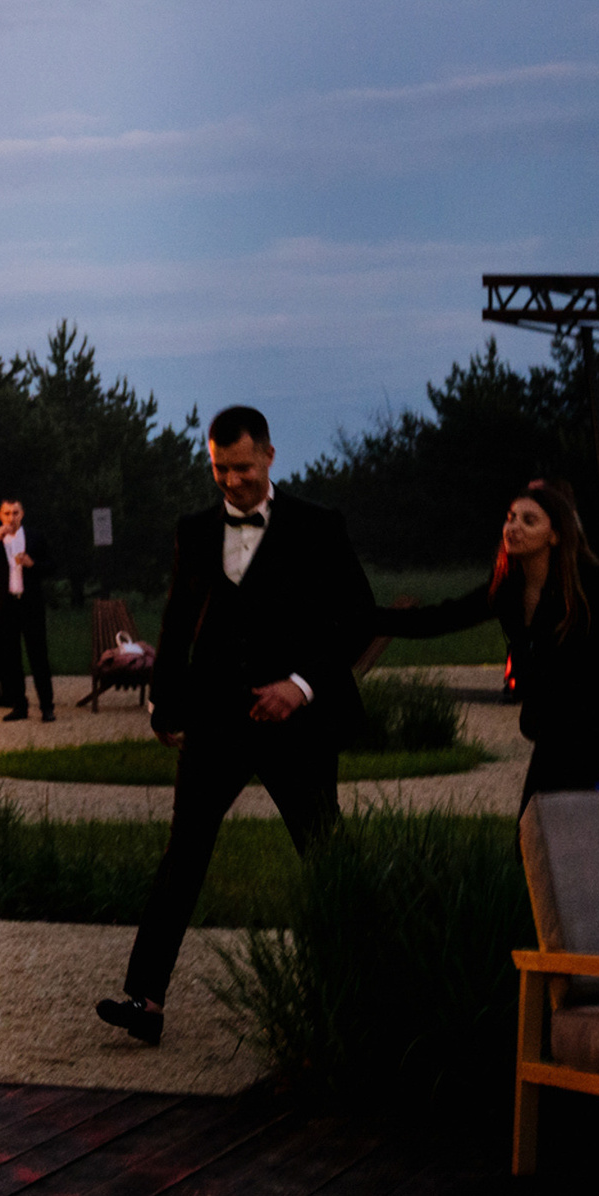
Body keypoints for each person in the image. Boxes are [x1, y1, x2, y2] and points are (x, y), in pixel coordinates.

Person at [95, 406, 372, 1047]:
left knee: (326, 851)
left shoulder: (317, 527)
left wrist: (301, 687)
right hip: (216, 722)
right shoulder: (193, 530)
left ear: (271, 457)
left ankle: (366, 982)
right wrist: (164, 705)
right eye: (220, 469)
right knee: (182, 856)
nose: (231, 481)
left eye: (242, 467)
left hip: (295, 725)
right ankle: (145, 999)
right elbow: (176, 618)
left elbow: (356, 618)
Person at [368, 485, 599, 802]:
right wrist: (363, 617)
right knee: (537, 837)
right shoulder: (509, 588)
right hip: (551, 733)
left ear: (554, 535)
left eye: (529, 521)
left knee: (549, 838)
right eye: (511, 518)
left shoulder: (594, 586)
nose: (514, 527)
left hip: (593, 736)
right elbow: (441, 618)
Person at [0, 498, 55, 723]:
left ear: (22, 514)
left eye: (15, 513)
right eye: (7, 513)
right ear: (0, 516)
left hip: (30, 603)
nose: (11, 518)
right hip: (5, 606)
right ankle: (19, 705)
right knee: (10, 658)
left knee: (38, 656)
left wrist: (32, 564)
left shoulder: (35, 537)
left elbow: (52, 566)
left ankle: (47, 706)